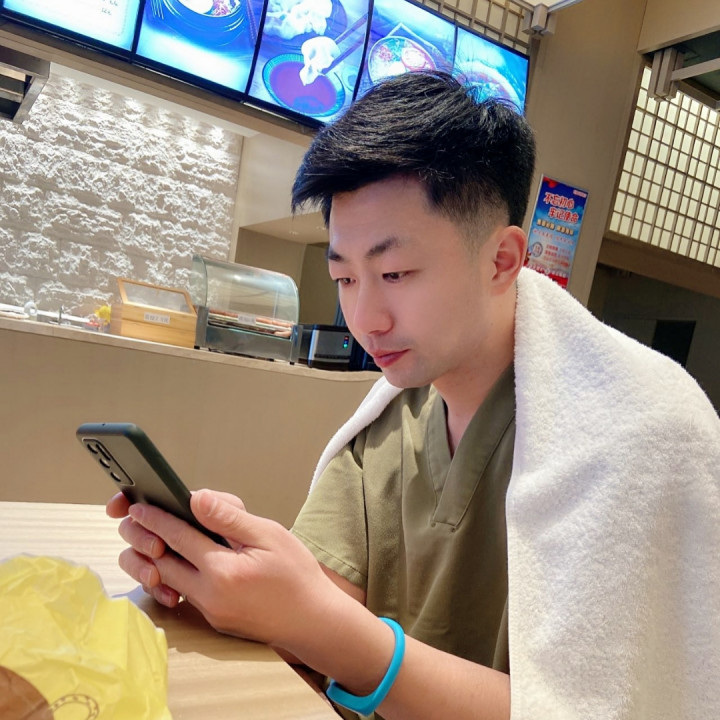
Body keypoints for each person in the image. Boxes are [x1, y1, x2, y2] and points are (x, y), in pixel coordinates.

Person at [107, 71, 720, 720]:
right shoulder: (388, 424)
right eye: (345, 278)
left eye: (395, 273)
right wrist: (220, 575)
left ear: (502, 260)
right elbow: (313, 605)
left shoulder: (641, 434)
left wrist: (331, 631)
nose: (364, 319)